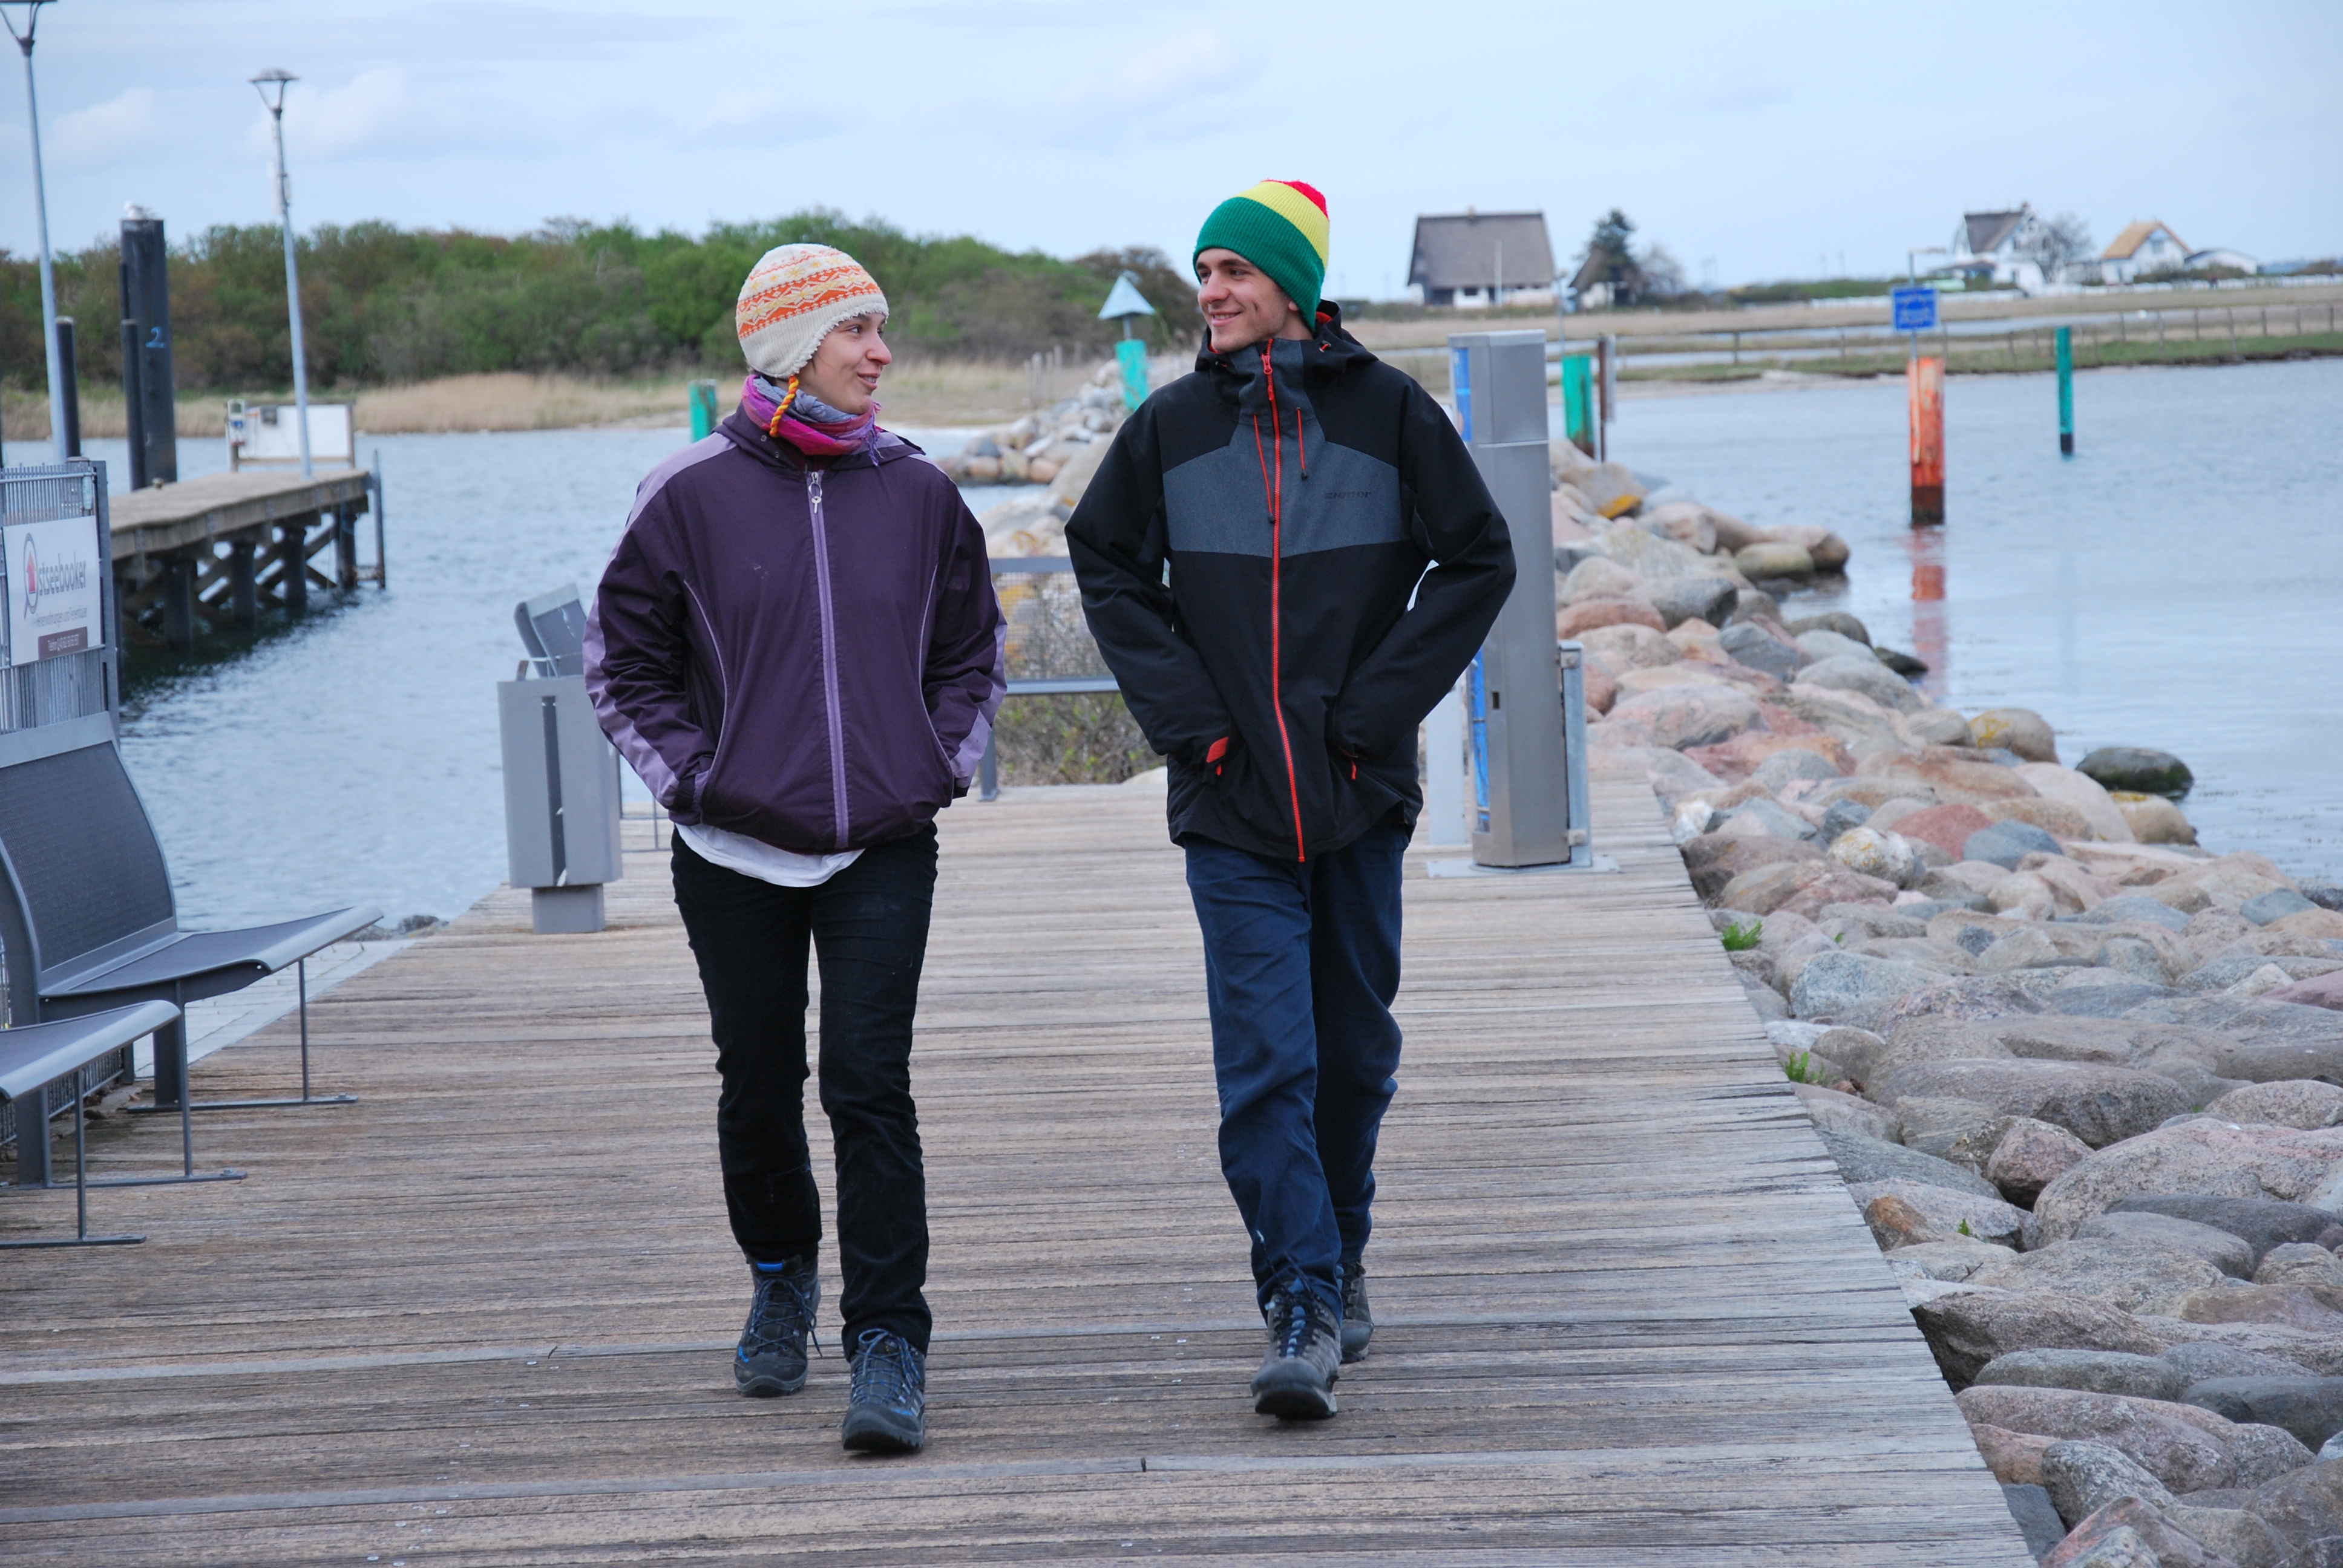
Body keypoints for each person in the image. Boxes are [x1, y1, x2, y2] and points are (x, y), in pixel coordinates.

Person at [1067, 181, 1515, 1420]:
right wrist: (1196, 728)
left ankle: (1343, 1245)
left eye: (1235, 270)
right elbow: (1105, 562)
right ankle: (1302, 1299)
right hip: (1231, 802)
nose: (1209, 290)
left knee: (1354, 1055)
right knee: (1269, 1063)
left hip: (1360, 795)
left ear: (1294, 287)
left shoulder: (1391, 414)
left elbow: (1480, 557)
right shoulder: (1168, 429)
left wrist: (1372, 719)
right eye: (1203, 270)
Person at [586, 243, 1004, 1454]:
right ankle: (780, 1275)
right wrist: (698, 782)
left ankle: (889, 1341)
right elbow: (622, 666)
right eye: (857, 331)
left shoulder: (917, 490)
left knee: (868, 1084)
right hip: (732, 850)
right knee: (759, 1080)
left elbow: (972, 651)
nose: (882, 352)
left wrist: (934, 765)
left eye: (881, 329)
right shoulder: (685, 492)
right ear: (790, 347)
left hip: (883, 842)